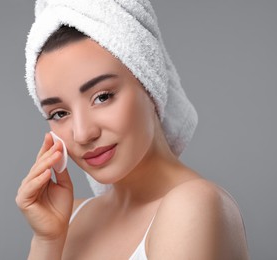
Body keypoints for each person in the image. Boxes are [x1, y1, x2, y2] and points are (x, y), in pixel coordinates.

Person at [16, 1, 249, 259]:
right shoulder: (69, 220)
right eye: (59, 113)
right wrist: (46, 241)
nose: (83, 134)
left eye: (102, 97)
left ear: (150, 83)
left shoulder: (193, 206)